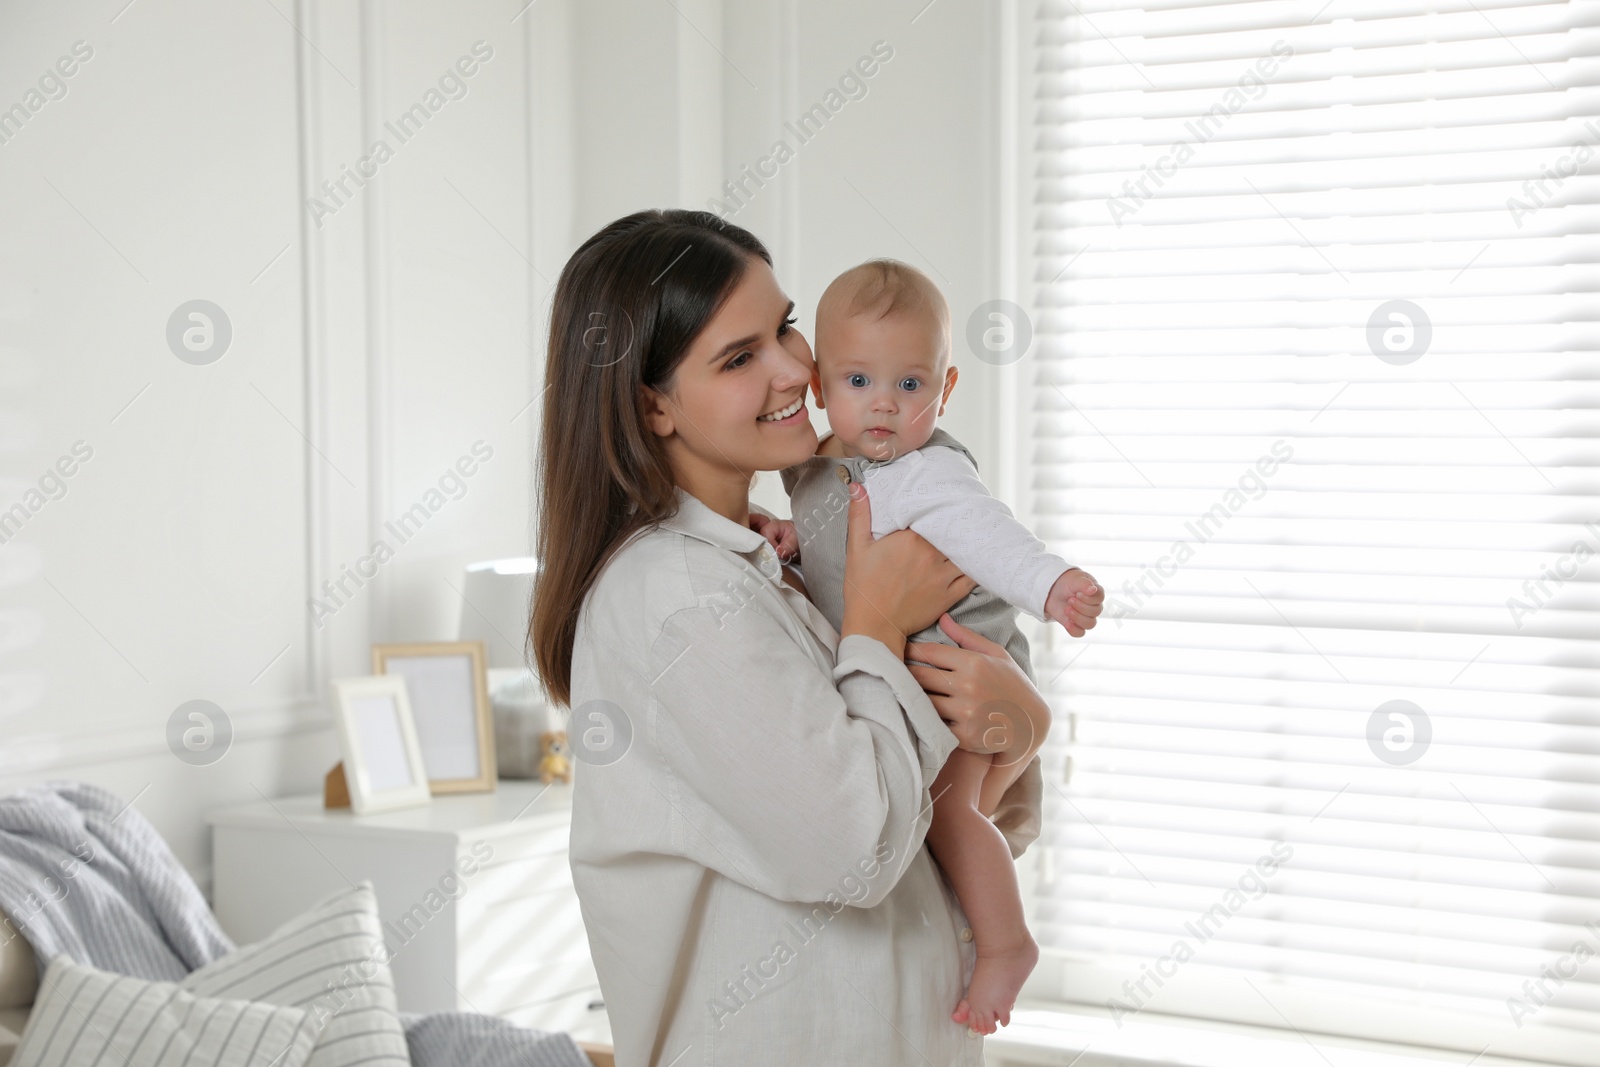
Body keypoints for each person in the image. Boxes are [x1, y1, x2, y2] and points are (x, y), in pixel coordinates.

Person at [530, 210, 1056, 1065]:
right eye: (739, 358)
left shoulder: (788, 560)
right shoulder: (677, 597)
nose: (792, 369)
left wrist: (1019, 729)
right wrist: (877, 625)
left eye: (784, 327)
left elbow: (950, 841)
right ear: (652, 406)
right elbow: (857, 854)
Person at [754, 258, 1103, 1034]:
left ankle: (1007, 943)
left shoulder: (926, 471)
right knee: (938, 826)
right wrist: (790, 542)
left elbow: (993, 538)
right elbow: (840, 553)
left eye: (909, 386)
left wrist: (1052, 585)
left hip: (961, 667)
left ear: (943, 393)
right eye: (858, 382)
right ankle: (972, 925)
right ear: (820, 386)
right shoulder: (816, 469)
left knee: (950, 814)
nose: (883, 404)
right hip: (918, 683)